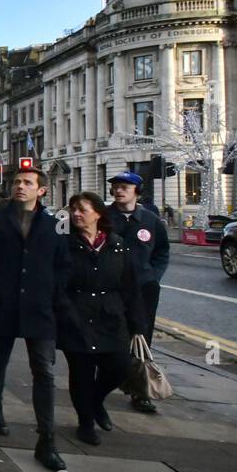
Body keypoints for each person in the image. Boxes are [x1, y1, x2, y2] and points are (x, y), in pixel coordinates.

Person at [0, 166, 72, 472]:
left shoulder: (54, 226)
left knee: (44, 371)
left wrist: (53, 292)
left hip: (40, 308)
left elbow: (64, 266)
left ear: (42, 190)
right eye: (16, 182)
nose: (20, 187)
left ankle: (46, 439)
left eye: (27, 183)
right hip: (3, 303)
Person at [56, 191, 145, 445]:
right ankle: (85, 423)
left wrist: (137, 324)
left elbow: (130, 286)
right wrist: (62, 310)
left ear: (98, 213)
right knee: (81, 372)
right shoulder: (65, 244)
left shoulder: (117, 245)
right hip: (76, 316)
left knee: (120, 368)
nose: (76, 214)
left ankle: (95, 401)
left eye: (82, 209)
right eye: (73, 209)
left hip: (110, 317)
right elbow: (56, 283)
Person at [106, 171, 170, 415]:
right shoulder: (104, 218)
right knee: (109, 335)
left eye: (125, 187)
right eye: (116, 187)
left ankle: (140, 391)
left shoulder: (150, 220)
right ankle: (106, 380)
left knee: (141, 338)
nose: (119, 190)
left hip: (143, 289)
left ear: (137, 191)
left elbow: (162, 251)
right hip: (111, 289)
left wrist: (153, 276)